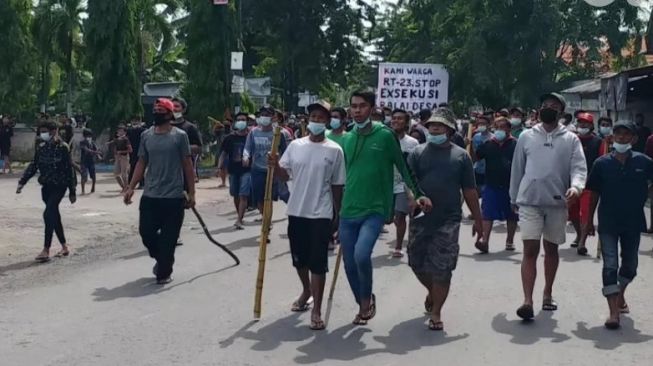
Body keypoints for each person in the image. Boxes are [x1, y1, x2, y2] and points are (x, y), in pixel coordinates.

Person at [339, 91, 432, 325]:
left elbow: (403, 166)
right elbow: (338, 177)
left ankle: (365, 302)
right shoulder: (347, 138)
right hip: (348, 209)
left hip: (376, 208)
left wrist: (418, 194)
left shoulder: (385, 135)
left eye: (362, 106)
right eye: (353, 106)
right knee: (349, 263)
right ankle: (364, 300)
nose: (357, 110)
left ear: (371, 108)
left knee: (361, 255)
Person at [510, 92, 587, 320]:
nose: (548, 108)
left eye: (553, 106)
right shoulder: (526, 136)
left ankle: (547, 293)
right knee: (530, 250)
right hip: (529, 202)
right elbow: (517, 168)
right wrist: (513, 198)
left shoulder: (571, 139)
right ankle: (527, 300)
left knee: (551, 250)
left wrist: (576, 187)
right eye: (545, 105)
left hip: (557, 202)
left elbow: (579, 168)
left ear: (561, 112)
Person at [269, 100, 345, 331]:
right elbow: (284, 175)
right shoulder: (295, 146)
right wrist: (274, 165)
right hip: (296, 210)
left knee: (318, 262)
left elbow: (338, 185)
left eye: (322, 118)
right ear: (307, 120)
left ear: (328, 122)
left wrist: (338, 215)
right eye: (314, 117)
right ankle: (306, 290)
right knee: (298, 259)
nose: (317, 122)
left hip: (321, 213)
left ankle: (317, 309)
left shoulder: (335, 150)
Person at [407, 109, 482, 331]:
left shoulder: (461, 156)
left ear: (449, 130)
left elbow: (469, 190)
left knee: (443, 268)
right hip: (421, 218)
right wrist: (416, 199)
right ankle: (432, 291)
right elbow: (409, 185)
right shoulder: (417, 153)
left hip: (448, 219)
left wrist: (478, 220)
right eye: (431, 126)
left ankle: (437, 311)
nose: (435, 129)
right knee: (416, 262)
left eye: (439, 126)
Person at [585, 121, 653, 329]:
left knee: (630, 266)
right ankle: (613, 312)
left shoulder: (645, 162)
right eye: (618, 134)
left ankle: (620, 293)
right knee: (610, 265)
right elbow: (593, 193)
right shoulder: (601, 164)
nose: (622, 138)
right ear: (612, 137)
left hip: (633, 222)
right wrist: (588, 221)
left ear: (634, 139)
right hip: (608, 222)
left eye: (626, 135)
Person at [124, 98, 195, 285]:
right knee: (146, 233)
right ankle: (162, 258)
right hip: (150, 195)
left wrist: (192, 193)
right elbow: (141, 162)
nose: (156, 113)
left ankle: (164, 270)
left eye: (161, 110)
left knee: (168, 240)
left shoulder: (179, 136)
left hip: (173, 197)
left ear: (170, 114)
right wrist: (131, 187)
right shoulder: (146, 135)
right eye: (155, 110)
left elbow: (187, 165)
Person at [17, 121, 77, 262]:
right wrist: (22, 182)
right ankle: (64, 246)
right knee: (53, 215)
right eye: (41, 131)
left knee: (48, 213)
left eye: (46, 131)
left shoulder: (63, 147)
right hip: (46, 187)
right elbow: (34, 165)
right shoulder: (41, 147)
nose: (43, 134)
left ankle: (46, 249)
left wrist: (72, 191)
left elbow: (69, 170)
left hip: (59, 186)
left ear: (54, 130)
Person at [475, 117, 518, 252]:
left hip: (510, 185)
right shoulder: (488, 144)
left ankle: (510, 240)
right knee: (487, 213)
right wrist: (469, 144)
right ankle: (484, 241)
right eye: (497, 127)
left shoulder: (515, 144)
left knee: (511, 215)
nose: (499, 130)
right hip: (491, 184)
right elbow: (476, 156)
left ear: (509, 129)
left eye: (502, 127)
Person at [243, 106, 287, 218]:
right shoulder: (253, 132)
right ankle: (264, 216)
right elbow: (247, 147)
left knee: (269, 197)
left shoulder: (278, 133)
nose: (264, 117)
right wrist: (246, 157)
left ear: (273, 117)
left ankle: (267, 221)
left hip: (272, 170)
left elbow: (284, 151)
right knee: (259, 197)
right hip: (257, 169)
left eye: (267, 115)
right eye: (262, 114)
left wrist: (281, 165)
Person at [569, 112, 603, 255]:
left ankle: (582, 241)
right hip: (571, 183)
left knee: (586, 213)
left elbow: (602, 161)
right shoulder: (571, 140)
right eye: (580, 123)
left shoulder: (598, 142)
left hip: (589, 183)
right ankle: (578, 234)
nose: (583, 126)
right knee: (572, 213)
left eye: (586, 123)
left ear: (591, 125)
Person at [390, 108, 419, 258]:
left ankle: (398, 246)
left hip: (404, 184)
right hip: (387, 183)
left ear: (407, 122)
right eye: (394, 118)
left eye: (400, 118)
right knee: (391, 218)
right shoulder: (385, 139)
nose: (396, 121)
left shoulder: (413, 143)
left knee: (400, 216)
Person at [219, 112, 251, 229]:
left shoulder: (251, 137)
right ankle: (240, 215)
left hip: (247, 170)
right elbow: (223, 153)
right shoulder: (229, 138)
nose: (241, 121)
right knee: (235, 194)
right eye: (239, 119)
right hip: (233, 171)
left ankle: (239, 219)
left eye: (243, 119)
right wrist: (220, 166)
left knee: (243, 194)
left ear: (247, 122)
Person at [171, 97, 203, 182]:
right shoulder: (164, 127)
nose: (174, 109)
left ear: (183, 110)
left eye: (177, 106)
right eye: (172, 106)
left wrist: (182, 147)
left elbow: (199, 148)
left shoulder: (190, 127)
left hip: (184, 169)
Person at [471, 115, 494, 191]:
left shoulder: (493, 138)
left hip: (489, 170)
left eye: (483, 123)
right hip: (477, 170)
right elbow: (473, 153)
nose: (481, 125)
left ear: (488, 125)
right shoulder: (475, 137)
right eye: (479, 123)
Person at [109, 125, 132, 192]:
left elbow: (130, 150)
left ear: (125, 132)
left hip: (124, 157)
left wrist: (121, 152)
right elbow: (115, 148)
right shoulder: (117, 140)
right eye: (119, 130)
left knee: (124, 174)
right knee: (116, 174)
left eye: (121, 131)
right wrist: (115, 155)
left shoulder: (126, 139)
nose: (119, 132)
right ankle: (124, 187)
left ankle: (126, 187)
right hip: (118, 158)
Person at [79, 128, 101, 195]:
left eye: (89, 136)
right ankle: (83, 190)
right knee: (84, 176)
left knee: (93, 176)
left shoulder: (92, 142)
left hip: (91, 161)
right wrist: (96, 152)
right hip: (84, 162)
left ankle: (93, 187)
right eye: (87, 136)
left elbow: (96, 148)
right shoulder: (82, 142)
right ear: (84, 136)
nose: (88, 137)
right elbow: (86, 150)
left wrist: (98, 155)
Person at [127, 116, 146, 189]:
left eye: (136, 121)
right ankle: (132, 183)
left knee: (138, 167)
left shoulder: (142, 130)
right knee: (133, 167)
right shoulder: (130, 130)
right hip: (133, 151)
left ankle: (140, 183)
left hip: (139, 151)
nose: (135, 123)